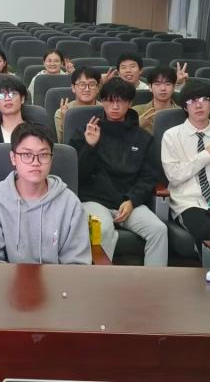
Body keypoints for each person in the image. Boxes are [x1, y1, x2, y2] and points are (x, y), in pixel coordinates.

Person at [71, 77, 167, 265]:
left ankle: (154, 281)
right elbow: (77, 175)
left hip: (128, 202)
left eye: (121, 101)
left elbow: (149, 176)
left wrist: (132, 200)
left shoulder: (143, 137)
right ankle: (102, 281)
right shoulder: (86, 131)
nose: (115, 106)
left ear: (129, 103)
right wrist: (90, 147)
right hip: (93, 201)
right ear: (102, 101)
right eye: (109, 101)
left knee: (159, 230)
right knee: (104, 230)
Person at [0, 122, 90, 265]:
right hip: (7, 279)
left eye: (43, 155)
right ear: (13, 158)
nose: (35, 162)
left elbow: (77, 265)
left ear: (51, 158)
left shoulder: (70, 204)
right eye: (27, 155)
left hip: (57, 279)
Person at [160, 81, 210, 250]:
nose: (198, 105)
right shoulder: (172, 136)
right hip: (188, 201)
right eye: (192, 101)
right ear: (185, 107)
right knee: (207, 234)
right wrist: (206, 155)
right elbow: (174, 176)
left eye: (204, 99)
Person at [54, 66, 101, 143]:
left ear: (98, 88)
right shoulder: (62, 113)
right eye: (82, 84)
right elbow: (63, 145)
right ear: (73, 88)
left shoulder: (106, 110)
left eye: (92, 84)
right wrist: (66, 120)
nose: (87, 89)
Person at [132, 67, 181, 134]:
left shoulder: (182, 114)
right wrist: (138, 126)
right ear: (150, 87)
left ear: (174, 87)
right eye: (157, 84)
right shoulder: (136, 112)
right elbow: (124, 137)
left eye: (168, 84)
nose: (163, 88)